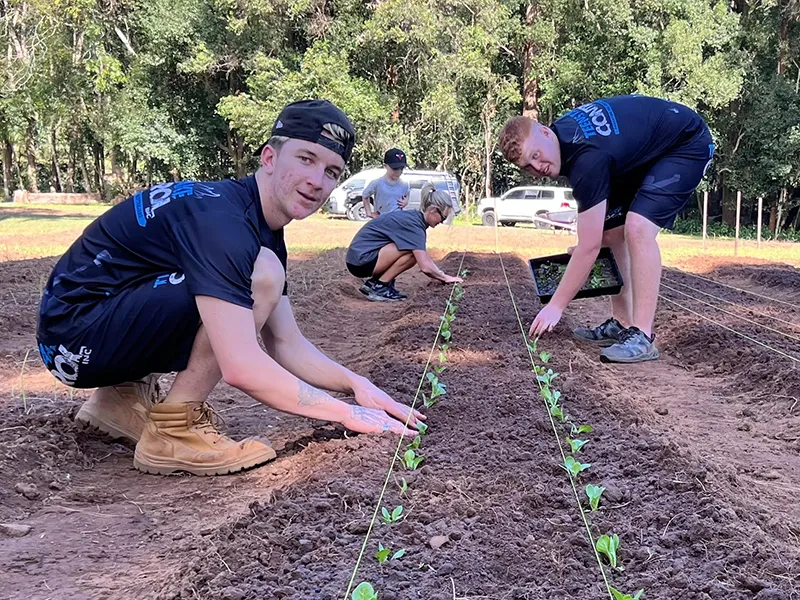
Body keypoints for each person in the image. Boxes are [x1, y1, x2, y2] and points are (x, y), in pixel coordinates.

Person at [36, 99, 424, 477]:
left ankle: (119, 400)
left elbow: (285, 342)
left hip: (85, 331)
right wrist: (346, 414)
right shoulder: (225, 223)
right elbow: (242, 366)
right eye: (306, 159)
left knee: (257, 272)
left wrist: (356, 385)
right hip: (75, 338)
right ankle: (174, 430)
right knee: (261, 273)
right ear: (269, 157)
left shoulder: (258, 224)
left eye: (332, 171)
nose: (317, 181)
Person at [498, 95, 714, 363]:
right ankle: (621, 323)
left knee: (638, 227)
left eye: (535, 155)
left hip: (685, 143)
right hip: (641, 153)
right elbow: (595, 237)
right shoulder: (564, 140)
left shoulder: (586, 159)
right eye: (527, 167)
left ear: (544, 132)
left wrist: (556, 306)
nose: (537, 168)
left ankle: (643, 336)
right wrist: (588, 245)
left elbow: (589, 247)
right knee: (610, 233)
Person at [346, 183, 463, 301]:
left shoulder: (413, 218)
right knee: (412, 253)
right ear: (433, 210)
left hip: (358, 258)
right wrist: (445, 277)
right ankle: (380, 287)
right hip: (360, 261)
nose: (442, 222)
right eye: (443, 217)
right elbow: (425, 266)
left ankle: (375, 283)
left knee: (411, 248)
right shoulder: (414, 226)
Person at [361, 148, 410, 218]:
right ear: (385, 166)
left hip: (398, 220)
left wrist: (406, 201)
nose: (398, 171)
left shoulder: (404, 184)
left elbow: (407, 193)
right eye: (395, 168)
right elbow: (365, 195)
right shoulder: (377, 183)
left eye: (401, 168)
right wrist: (369, 213)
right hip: (381, 220)